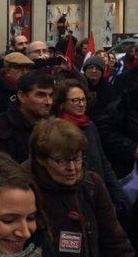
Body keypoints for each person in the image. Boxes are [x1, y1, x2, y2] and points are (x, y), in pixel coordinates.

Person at [26, 119, 138, 257]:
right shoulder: (24, 188)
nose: (72, 168)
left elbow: (115, 242)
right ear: (42, 159)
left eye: (77, 159)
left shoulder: (91, 185)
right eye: (62, 161)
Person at [51, 78, 125, 211]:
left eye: (83, 99)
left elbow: (103, 161)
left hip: (97, 193)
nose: (81, 104)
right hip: (74, 199)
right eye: (75, 100)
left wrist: (118, 193)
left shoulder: (89, 126)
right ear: (62, 103)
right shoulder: (56, 130)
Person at [0, 71, 54, 162]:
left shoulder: (53, 125)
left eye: (51, 95)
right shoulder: (2, 132)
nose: (48, 102)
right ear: (21, 96)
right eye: (41, 95)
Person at [0, 52, 34, 133]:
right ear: (7, 71)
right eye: (19, 68)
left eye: (27, 68)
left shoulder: (29, 88)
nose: (24, 72)